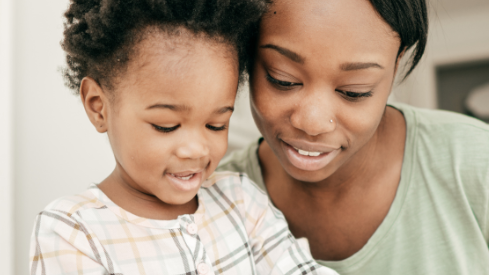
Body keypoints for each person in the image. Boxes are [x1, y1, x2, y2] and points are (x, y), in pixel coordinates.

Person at [218, 0, 489, 274]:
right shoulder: (209, 201)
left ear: (397, 65)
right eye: (283, 80)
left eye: (354, 90)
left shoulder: (484, 167)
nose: (313, 122)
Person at [29, 0, 337, 274]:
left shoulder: (241, 201)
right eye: (166, 125)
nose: (195, 150)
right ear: (99, 107)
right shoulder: (74, 231)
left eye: (216, 125)